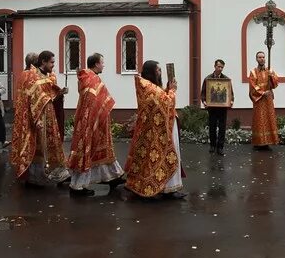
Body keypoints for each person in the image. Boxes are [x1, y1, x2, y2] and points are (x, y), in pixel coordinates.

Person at [125, 60, 185, 200]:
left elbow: (161, 99)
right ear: (151, 72)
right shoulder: (149, 87)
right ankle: (168, 189)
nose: (160, 72)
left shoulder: (148, 86)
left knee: (154, 159)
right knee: (164, 156)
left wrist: (167, 90)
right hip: (161, 130)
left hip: (159, 128)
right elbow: (166, 102)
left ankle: (166, 187)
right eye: (158, 70)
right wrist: (172, 91)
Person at [68, 53, 125, 197]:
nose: (103, 65)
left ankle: (113, 177)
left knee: (104, 149)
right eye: (102, 62)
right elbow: (92, 103)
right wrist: (94, 120)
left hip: (96, 121)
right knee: (87, 151)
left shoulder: (88, 78)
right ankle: (77, 186)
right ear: (96, 64)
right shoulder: (91, 79)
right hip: (92, 122)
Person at [10, 51, 69, 187]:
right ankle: (34, 177)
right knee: (38, 147)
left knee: (51, 145)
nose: (53, 65)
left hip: (49, 116)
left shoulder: (45, 76)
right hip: (38, 118)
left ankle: (56, 173)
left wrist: (59, 93)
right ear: (43, 62)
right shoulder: (32, 77)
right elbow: (32, 100)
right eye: (52, 62)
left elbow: (49, 95)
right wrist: (37, 120)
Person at [200, 59, 234, 156]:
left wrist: (231, 101)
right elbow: (203, 93)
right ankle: (212, 145)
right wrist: (204, 101)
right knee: (212, 126)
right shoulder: (208, 79)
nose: (220, 69)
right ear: (214, 66)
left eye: (222, 67)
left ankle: (220, 147)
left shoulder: (226, 80)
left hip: (222, 107)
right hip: (212, 107)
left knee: (222, 127)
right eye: (218, 66)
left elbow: (230, 93)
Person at [248, 51, 279, 150]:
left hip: (268, 99)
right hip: (259, 99)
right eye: (259, 57)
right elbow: (253, 86)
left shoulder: (270, 70)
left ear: (265, 59)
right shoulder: (253, 72)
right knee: (259, 120)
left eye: (263, 57)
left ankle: (267, 142)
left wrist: (272, 76)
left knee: (269, 119)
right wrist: (262, 93)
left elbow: (275, 84)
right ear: (256, 59)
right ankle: (258, 143)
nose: (261, 59)